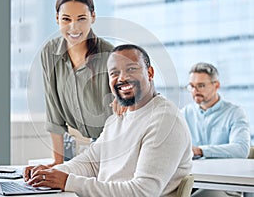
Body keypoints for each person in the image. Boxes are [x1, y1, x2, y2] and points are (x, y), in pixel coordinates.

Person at [24, 44, 193, 196]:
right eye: (114, 73)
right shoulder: (117, 119)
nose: (121, 78)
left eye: (131, 69)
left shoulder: (165, 120)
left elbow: (143, 191)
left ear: (150, 73)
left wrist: (67, 182)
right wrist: (49, 174)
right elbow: (90, 163)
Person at [41, 0, 115, 166]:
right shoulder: (50, 52)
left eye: (81, 19)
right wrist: (57, 163)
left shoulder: (110, 54)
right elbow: (54, 113)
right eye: (66, 19)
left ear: (93, 17)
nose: (74, 27)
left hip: (116, 147)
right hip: (90, 149)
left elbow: (124, 114)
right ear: (57, 19)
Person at [181, 62, 251, 197]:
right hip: (193, 179)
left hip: (225, 184)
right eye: (192, 86)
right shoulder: (185, 113)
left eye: (201, 85)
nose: (195, 91)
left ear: (216, 85)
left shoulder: (235, 112)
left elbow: (241, 150)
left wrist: (201, 151)